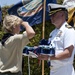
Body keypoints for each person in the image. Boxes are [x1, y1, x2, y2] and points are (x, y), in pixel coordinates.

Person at [38, 3, 75, 75]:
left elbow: (68, 53)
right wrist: (38, 51)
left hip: (65, 71)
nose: (51, 17)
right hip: (53, 70)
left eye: (53, 15)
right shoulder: (52, 33)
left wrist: (48, 58)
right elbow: (50, 50)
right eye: (50, 15)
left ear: (62, 14)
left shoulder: (69, 31)